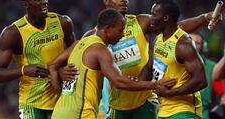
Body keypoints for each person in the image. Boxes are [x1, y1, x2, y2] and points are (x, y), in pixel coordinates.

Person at [83, 0, 215, 119]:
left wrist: (204, 17)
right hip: (117, 102)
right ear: (106, 1)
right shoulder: (94, 35)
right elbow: (80, 60)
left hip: (145, 99)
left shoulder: (140, 22)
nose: (124, 0)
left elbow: (174, 27)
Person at [49, 8, 177, 119]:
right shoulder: (100, 49)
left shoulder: (78, 44)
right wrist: (154, 84)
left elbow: (53, 65)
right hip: (81, 113)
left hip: (60, 111)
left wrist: (59, 92)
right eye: (120, 31)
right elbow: (119, 82)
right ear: (107, 29)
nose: (122, 35)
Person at [0, 0, 76, 119]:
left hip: (61, 97)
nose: (45, 2)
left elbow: (76, 52)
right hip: (31, 103)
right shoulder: (13, 33)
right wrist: (23, 70)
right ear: (26, 5)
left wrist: (62, 70)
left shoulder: (62, 22)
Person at [151, 0, 207, 119]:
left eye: (154, 14)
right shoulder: (158, 39)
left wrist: (169, 93)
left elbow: (201, 80)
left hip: (184, 111)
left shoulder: (183, 44)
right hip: (163, 110)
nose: (151, 18)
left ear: (165, 18)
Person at [190, 32, 216, 119]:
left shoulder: (211, 66)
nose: (193, 45)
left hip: (202, 114)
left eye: (197, 43)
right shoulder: (172, 62)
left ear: (202, 47)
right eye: (190, 41)